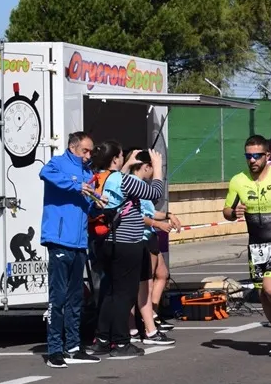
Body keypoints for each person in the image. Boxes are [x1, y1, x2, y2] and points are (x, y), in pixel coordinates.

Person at [223, 135, 271, 357]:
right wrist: (233, 213)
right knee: (263, 294)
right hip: (256, 245)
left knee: (270, 287)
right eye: (249, 156)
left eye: (257, 155)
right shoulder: (238, 180)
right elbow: (227, 210)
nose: (253, 160)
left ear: (268, 156)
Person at [92, 143, 166, 357]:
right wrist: (158, 167)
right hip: (127, 243)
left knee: (110, 292)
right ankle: (122, 342)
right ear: (116, 159)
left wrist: (126, 165)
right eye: (122, 156)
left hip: (107, 242)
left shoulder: (102, 178)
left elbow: (116, 189)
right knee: (125, 294)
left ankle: (103, 338)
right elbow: (155, 194)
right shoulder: (125, 181)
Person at [39, 131, 98, 367]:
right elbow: (44, 173)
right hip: (59, 240)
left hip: (79, 242)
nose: (88, 155)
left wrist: (99, 202)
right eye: (85, 150)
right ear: (73, 148)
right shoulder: (59, 163)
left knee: (76, 298)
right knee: (58, 298)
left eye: (91, 151)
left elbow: (89, 204)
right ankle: (54, 350)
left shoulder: (88, 172)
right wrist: (76, 185)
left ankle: (73, 346)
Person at [130, 153, 175, 347]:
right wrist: (158, 223)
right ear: (145, 166)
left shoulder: (139, 185)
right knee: (141, 287)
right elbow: (138, 215)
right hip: (138, 239)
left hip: (146, 238)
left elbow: (148, 210)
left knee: (158, 276)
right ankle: (142, 327)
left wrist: (167, 215)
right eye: (154, 166)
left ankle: (147, 323)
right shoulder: (132, 183)